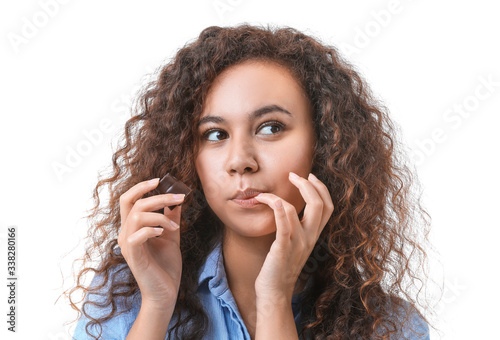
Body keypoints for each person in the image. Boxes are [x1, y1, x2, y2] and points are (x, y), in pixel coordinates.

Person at [68, 24, 432, 339]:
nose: (240, 161)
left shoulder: (390, 328)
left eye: (271, 128)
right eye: (214, 134)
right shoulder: (126, 294)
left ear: (325, 144)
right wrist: (158, 304)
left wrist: (274, 299)